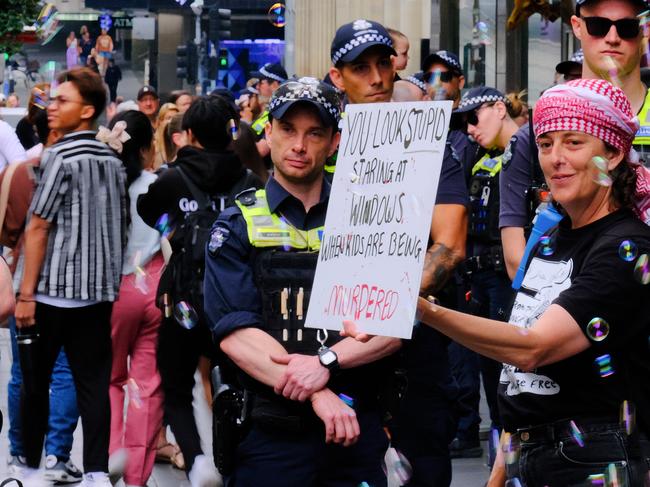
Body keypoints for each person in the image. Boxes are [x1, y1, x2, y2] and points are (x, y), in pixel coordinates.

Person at [404, 78, 650, 487]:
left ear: (613, 152)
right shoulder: (550, 239)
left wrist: (424, 310)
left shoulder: (627, 244)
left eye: (574, 143)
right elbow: (521, 385)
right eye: (546, 143)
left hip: (599, 458)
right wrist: (498, 476)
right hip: (537, 458)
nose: (555, 159)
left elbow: (532, 347)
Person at [204, 76, 397, 486]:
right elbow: (236, 333)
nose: (299, 145)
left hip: (355, 430)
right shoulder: (236, 224)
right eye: (288, 129)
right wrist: (316, 393)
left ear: (334, 142)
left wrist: (326, 363)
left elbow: (391, 325)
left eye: (315, 133)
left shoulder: (369, 218)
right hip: (271, 437)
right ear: (268, 131)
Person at [329, 19, 469, 487]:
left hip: (415, 350)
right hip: (337, 348)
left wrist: (386, 305)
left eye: (383, 63)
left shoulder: (432, 145)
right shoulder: (321, 147)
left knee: (423, 472)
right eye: (360, 67)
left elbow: (449, 246)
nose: (375, 77)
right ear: (337, 77)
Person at [137, 95, 261, 486]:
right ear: (232, 132)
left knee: (176, 385)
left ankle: (197, 459)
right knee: (243, 384)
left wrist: (176, 223)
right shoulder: (251, 183)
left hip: (186, 300)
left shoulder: (171, 180)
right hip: (239, 303)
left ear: (187, 135)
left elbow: (148, 212)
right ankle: (234, 458)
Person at [14, 67, 126, 487]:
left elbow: (38, 226)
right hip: (96, 296)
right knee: (94, 386)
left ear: (88, 110)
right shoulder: (112, 159)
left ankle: (27, 468)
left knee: (35, 383)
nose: (52, 107)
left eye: (62, 101)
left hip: (52, 292)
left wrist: (26, 295)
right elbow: (119, 224)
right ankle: (96, 471)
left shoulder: (59, 156)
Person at [499, 0, 648, 283]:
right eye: (599, 26)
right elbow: (515, 262)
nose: (612, 37)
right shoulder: (533, 133)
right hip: (565, 304)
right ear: (577, 27)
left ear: (644, 30)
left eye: (627, 27)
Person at [2, 111, 83, 484]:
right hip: (69, 283)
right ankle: (56, 457)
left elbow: (7, 229)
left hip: (24, 283)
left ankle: (21, 455)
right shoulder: (87, 170)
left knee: (23, 370)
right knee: (65, 370)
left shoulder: (19, 173)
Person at [450, 87, 523, 462]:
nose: (469, 128)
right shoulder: (480, 157)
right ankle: (501, 453)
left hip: (509, 277)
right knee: (487, 371)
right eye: (463, 122)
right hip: (478, 277)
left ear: (498, 109)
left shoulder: (527, 151)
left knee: (510, 371)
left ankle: (513, 452)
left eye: (473, 118)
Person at [106, 110, 164, 487]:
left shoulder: (105, 184)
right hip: (155, 287)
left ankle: (111, 452)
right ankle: (137, 477)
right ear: (147, 148)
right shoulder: (160, 185)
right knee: (148, 385)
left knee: (109, 379)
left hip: (114, 291)